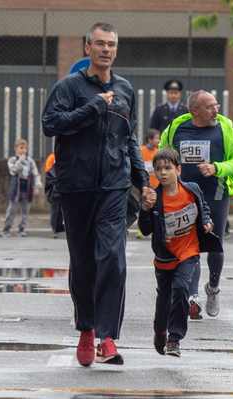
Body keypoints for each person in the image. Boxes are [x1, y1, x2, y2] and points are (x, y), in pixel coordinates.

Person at [42, 22, 151, 367]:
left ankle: (107, 336)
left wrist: (143, 179)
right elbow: (50, 123)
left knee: (113, 259)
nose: (106, 49)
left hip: (114, 188)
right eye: (100, 44)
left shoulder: (125, 89)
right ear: (87, 47)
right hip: (76, 187)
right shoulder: (69, 87)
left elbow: (129, 137)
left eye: (112, 45)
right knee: (85, 263)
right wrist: (92, 108)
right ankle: (86, 329)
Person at [159, 89, 233, 320]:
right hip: (186, 195)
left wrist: (216, 168)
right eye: (210, 106)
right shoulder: (176, 128)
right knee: (191, 243)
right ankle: (192, 296)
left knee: (214, 244)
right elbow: (163, 154)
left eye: (216, 105)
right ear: (194, 110)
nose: (216, 109)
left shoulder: (224, 128)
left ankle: (213, 288)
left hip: (215, 192)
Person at [138, 149, 221, 357]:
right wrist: (145, 209)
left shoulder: (192, 190)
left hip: (189, 251)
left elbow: (204, 208)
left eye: (168, 168)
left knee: (182, 288)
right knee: (164, 299)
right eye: (158, 169)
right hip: (165, 257)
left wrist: (207, 222)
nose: (163, 173)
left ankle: (175, 339)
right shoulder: (155, 199)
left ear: (178, 169)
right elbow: (145, 229)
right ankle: (160, 331)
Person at [0, 139, 41, 238]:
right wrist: (20, 161)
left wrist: (37, 185)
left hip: (27, 187)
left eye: (25, 148)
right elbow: (13, 171)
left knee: (25, 211)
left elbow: (35, 173)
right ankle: (6, 229)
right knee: (11, 210)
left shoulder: (30, 161)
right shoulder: (12, 160)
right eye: (21, 148)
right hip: (16, 188)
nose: (23, 150)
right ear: (16, 149)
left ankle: (22, 229)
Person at [44, 152, 64, 238]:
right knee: (56, 210)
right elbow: (48, 171)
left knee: (61, 211)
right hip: (55, 189)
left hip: (60, 188)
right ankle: (55, 228)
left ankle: (59, 227)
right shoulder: (52, 157)